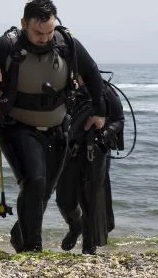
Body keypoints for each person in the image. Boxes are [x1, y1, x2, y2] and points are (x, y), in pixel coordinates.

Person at [0, 0, 106, 253]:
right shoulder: (7, 45)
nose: (44, 38)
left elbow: (93, 75)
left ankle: (21, 235)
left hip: (59, 128)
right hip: (17, 127)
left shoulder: (67, 43)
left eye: (49, 32)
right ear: (24, 23)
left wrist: (100, 112)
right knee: (34, 181)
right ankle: (33, 248)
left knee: (44, 192)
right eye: (38, 32)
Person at [56, 80, 125, 254]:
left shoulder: (104, 90)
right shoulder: (63, 87)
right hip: (69, 151)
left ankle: (89, 244)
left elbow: (119, 120)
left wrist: (102, 136)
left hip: (97, 152)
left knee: (91, 199)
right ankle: (75, 226)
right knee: (64, 200)